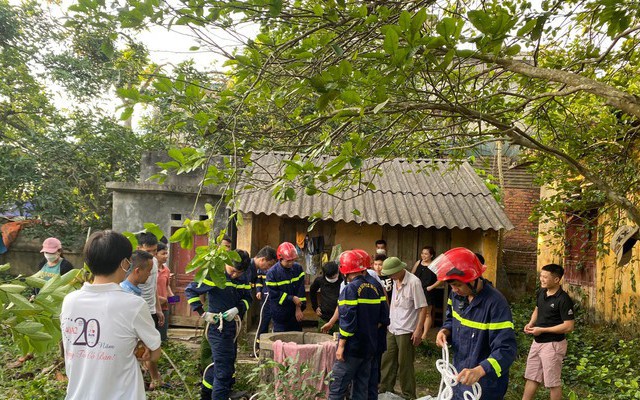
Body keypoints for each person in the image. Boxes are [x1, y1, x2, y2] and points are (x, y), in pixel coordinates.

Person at [61, 230, 161, 400]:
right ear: (124, 263)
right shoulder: (133, 305)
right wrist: (141, 349)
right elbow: (154, 352)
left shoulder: (70, 301)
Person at [434, 247, 517, 400]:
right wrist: (445, 331)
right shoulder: (456, 295)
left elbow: (506, 350)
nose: (454, 289)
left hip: (484, 385)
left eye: (458, 285)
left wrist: (480, 371)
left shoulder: (495, 303)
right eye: (451, 285)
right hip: (459, 377)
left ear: (473, 279)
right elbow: (451, 319)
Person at [185, 249, 252, 400]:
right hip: (218, 328)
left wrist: (238, 309)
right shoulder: (215, 274)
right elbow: (190, 291)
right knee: (224, 371)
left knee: (220, 364)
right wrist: (203, 313)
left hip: (232, 329)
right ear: (227, 263)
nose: (234, 275)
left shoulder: (243, 278)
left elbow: (248, 299)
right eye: (232, 271)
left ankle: (206, 395)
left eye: (238, 273)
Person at [328, 251, 389, 400]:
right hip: (369, 348)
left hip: (352, 349)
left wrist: (341, 346)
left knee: (336, 388)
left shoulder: (349, 289)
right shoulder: (376, 287)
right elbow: (384, 318)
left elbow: (347, 321)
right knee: (361, 389)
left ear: (344, 270)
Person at [9, 237, 77, 369]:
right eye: (47, 253)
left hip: (57, 302)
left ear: (59, 251)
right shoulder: (42, 264)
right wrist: (33, 295)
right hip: (41, 301)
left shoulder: (66, 266)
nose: (49, 256)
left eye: (52, 253)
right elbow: (37, 282)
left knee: (60, 330)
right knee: (34, 327)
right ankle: (28, 353)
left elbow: (68, 285)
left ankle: (65, 358)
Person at [522, 264, 575, 400]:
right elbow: (537, 309)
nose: (542, 279)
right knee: (532, 377)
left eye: (545, 277)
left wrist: (542, 330)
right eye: (541, 275)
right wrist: (531, 323)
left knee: (553, 383)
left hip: (553, 345)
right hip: (537, 342)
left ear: (556, 280)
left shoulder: (563, 299)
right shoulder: (542, 292)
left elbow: (568, 326)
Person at [379, 257, 428, 399]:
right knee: (387, 361)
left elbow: (422, 308)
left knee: (405, 365)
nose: (390, 276)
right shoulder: (395, 281)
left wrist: (419, 330)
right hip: (392, 327)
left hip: (406, 330)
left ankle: (409, 395)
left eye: (392, 273)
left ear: (400, 270)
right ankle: (385, 391)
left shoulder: (414, 282)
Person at [135, 231, 166, 390]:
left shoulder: (154, 263)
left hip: (151, 310)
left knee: (151, 345)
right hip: (136, 310)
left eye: (155, 251)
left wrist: (158, 309)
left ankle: (153, 378)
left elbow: (153, 286)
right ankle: (147, 378)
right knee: (140, 346)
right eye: (149, 251)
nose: (153, 255)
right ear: (138, 247)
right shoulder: (133, 264)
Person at [266, 242, 306, 332]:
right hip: (280, 315)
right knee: (281, 342)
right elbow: (274, 295)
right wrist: (291, 298)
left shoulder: (298, 269)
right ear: (280, 258)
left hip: (295, 314)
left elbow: (300, 290)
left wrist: (299, 308)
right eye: (288, 261)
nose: (291, 263)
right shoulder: (272, 273)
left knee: (297, 342)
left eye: (293, 260)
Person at [411, 246, 443, 340]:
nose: (423, 255)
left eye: (426, 254)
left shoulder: (434, 265)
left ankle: (424, 335)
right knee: (415, 311)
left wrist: (431, 287)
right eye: (422, 253)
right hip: (416, 290)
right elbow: (412, 274)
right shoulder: (418, 262)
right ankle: (416, 331)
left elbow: (441, 279)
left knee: (427, 313)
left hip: (427, 291)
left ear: (431, 255)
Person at [251, 245, 277, 352]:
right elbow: (258, 281)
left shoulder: (275, 270)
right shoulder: (256, 269)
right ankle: (258, 347)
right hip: (265, 298)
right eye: (269, 264)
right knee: (263, 322)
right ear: (263, 260)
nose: (269, 267)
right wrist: (258, 291)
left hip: (274, 299)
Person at [309, 261, 342, 333]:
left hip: (340, 319)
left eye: (335, 275)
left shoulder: (343, 279)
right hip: (324, 318)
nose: (334, 278)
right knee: (322, 341)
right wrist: (315, 307)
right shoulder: (320, 280)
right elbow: (312, 291)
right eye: (331, 277)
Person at [155, 242, 174, 342]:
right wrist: (158, 299)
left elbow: (167, 286)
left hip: (164, 308)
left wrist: (172, 298)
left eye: (166, 253)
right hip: (152, 308)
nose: (166, 256)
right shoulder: (150, 270)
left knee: (162, 338)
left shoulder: (166, 270)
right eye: (163, 253)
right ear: (155, 254)